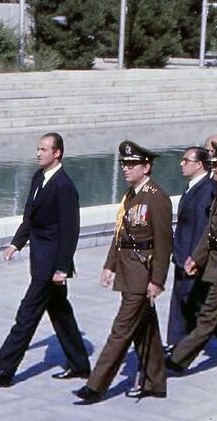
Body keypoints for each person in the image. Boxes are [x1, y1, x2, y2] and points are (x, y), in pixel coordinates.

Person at [0, 133, 91, 387]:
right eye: (38, 149)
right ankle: (80, 364)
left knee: (27, 314)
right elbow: (29, 217)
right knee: (61, 314)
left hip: (51, 265)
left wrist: (62, 267)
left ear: (57, 153)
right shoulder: (39, 177)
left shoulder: (64, 186)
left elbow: (70, 230)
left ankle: (4, 370)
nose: (38, 153)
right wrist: (16, 243)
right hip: (39, 259)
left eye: (43, 149)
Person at [73, 141, 172, 404]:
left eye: (131, 165)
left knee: (121, 330)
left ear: (146, 167)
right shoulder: (131, 195)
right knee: (145, 330)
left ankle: (95, 385)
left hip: (142, 273)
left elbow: (163, 243)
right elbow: (121, 236)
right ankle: (155, 381)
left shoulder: (156, 197)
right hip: (128, 271)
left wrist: (157, 280)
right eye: (123, 164)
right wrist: (110, 265)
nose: (126, 169)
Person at [167, 143, 217, 375]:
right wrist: (196, 259)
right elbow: (210, 231)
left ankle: (178, 360)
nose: (213, 168)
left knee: (209, 314)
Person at [166, 147, 217, 352]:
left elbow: (201, 228)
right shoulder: (193, 187)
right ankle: (177, 342)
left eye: (186, 160)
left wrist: (194, 258)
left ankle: (183, 346)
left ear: (199, 165)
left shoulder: (206, 189)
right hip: (182, 254)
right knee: (181, 299)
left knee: (190, 301)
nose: (181, 164)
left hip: (190, 256)